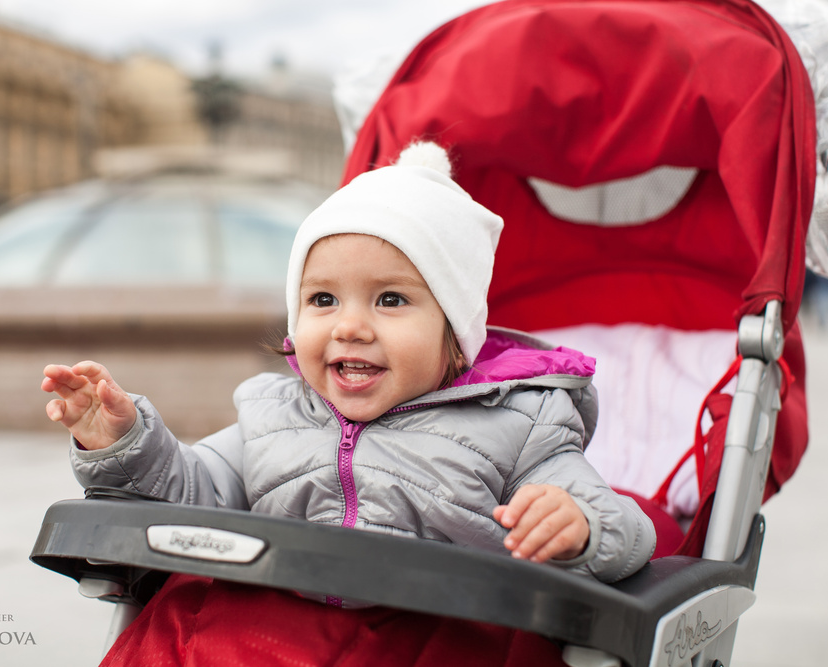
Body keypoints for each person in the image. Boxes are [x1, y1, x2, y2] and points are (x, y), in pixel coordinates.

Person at [42, 141, 655, 664]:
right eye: (323, 300)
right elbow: (192, 491)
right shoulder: (272, 416)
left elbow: (627, 530)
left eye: (390, 300)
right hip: (270, 629)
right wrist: (122, 442)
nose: (350, 327)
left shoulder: (516, 428)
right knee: (178, 620)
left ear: (456, 337)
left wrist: (576, 528)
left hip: (434, 635)